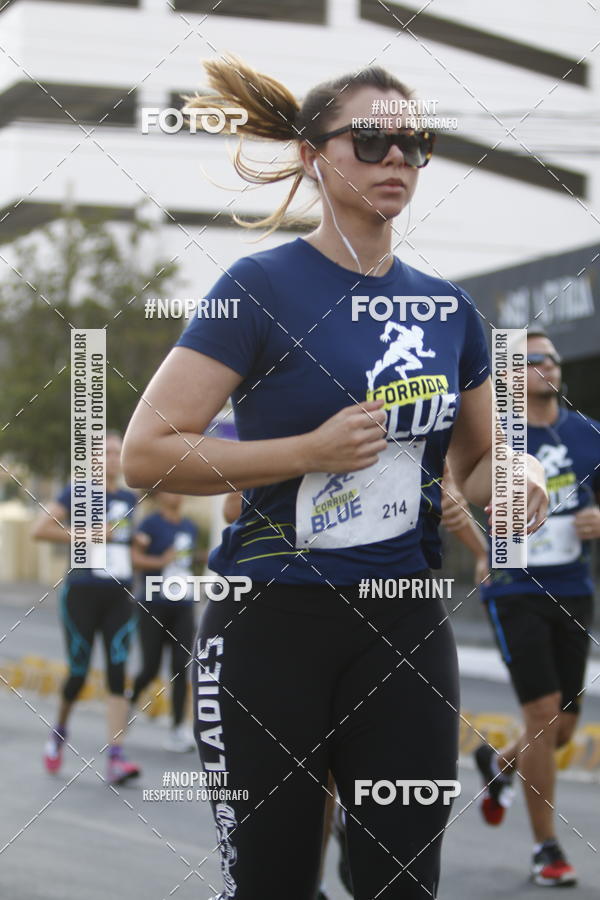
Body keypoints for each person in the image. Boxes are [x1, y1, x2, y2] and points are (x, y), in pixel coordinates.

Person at [122, 56, 547, 900]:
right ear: (317, 156)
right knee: (275, 882)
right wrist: (305, 451)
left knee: (400, 881)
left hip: (404, 625)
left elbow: (478, 457)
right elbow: (146, 453)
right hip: (270, 619)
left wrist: (521, 470)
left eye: (415, 143)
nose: (397, 159)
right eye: (373, 139)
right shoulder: (258, 287)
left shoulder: (448, 311)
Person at [475, 329, 600, 887]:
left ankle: (497, 766)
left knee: (564, 727)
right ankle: (546, 848)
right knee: (544, 714)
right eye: (525, 359)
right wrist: (482, 551)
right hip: (515, 586)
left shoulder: (588, 435)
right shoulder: (500, 438)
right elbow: (457, 489)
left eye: (547, 357)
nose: (539, 365)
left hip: (573, 588)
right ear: (511, 375)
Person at [33, 430, 141, 785]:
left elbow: (121, 545)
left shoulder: (129, 498)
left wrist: (137, 543)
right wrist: (89, 534)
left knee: (116, 671)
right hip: (82, 592)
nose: (113, 457)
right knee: (78, 673)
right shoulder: (78, 492)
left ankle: (116, 755)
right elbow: (41, 529)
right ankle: (59, 730)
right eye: (107, 452)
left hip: (119, 595)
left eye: (118, 452)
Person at [129, 491, 200, 751]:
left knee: (181, 668)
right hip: (153, 603)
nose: (178, 495)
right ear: (160, 496)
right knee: (150, 667)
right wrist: (160, 561)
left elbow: (186, 562)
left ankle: (177, 729)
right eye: (172, 489)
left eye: (181, 489)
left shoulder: (189, 527)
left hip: (182, 604)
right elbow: (135, 559)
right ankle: (130, 702)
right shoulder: (150, 524)